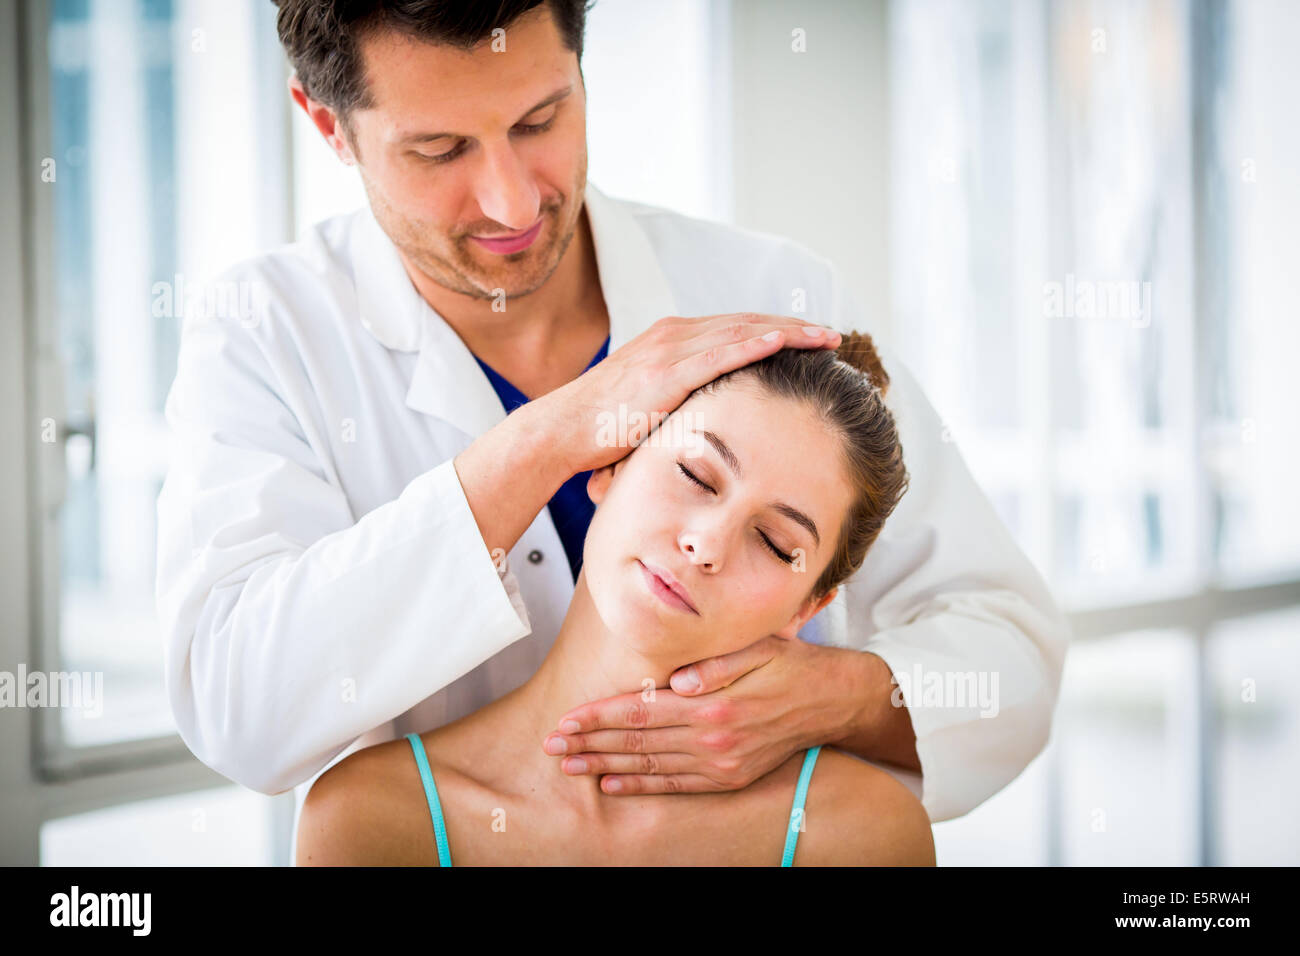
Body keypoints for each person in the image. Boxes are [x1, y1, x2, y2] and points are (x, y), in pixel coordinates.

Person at [154, 0, 1070, 860]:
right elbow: (242, 704)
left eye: (541, 120)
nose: (512, 204)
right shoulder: (265, 334)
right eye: (438, 150)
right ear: (328, 126)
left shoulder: (772, 297)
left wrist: (825, 700)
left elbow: (1007, 652)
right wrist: (549, 437)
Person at [297, 332, 935, 865]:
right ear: (609, 467)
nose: (706, 544)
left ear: (808, 608)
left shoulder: (861, 833)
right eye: (694, 474)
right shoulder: (373, 817)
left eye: (772, 541)